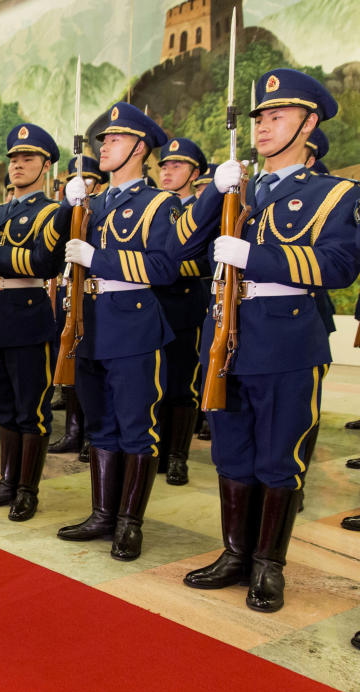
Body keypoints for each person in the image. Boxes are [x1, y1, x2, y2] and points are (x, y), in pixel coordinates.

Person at [181, 69, 360, 612]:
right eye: (258, 117)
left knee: (279, 456)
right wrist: (215, 192)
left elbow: (340, 265)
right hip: (227, 336)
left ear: (309, 124)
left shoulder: (336, 195)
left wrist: (254, 257)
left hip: (286, 340)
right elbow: (181, 245)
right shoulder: (238, 189)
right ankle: (235, 554)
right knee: (232, 453)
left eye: (277, 116)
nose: (262, 127)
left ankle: (268, 565)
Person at [55, 102, 182, 562]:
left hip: (133, 326)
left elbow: (164, 267)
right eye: (102, 140)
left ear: (139, 147)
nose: (102, 146)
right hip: (89, 322)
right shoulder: (91, 202)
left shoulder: (159, 202)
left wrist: (98, 258)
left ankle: (130, 523)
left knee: (136, 428)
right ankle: (103, 514)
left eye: (113, 139)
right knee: (100, 425)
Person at [0, 123, 70, 521]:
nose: (18, 165)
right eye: (13, 159)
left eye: (28, 158)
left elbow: (45, 263)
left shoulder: (51, 211)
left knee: (33, 410)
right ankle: (7, 482)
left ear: (46, 165)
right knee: (3, 408)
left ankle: (28, 489)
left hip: (28, 316)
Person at [155, 137, 211, 486]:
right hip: (150, 306)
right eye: (163, 165)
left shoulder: (205, 211)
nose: (167, 171)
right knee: (153, 384)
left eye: (176, 165)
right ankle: (156, 449)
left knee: (181, 385)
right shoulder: (152, 206)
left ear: (194, 172)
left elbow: (208, 260)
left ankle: (177, 455)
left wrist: (166, 268)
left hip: (185, 305)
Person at [49, 155, 105, 459]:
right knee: (70, 362)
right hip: (68, 292)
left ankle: (92, 436)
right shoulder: (69, 209)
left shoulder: (99, 209)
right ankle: (73, 431)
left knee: (91, 370)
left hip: (94, 296)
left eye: (85, 180)